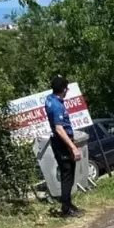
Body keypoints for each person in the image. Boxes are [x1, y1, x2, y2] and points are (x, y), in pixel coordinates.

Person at [45, 75, 82, 217]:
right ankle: (66, 209)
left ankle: (68, 204)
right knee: (67, 175)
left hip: (60, 141)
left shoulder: (50, 100)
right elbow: (59, 129)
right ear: (63, 89)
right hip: (62, 143)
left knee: (69, 174)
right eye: (66, 87)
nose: (67, 90)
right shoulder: (56, 105)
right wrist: (72, 147)